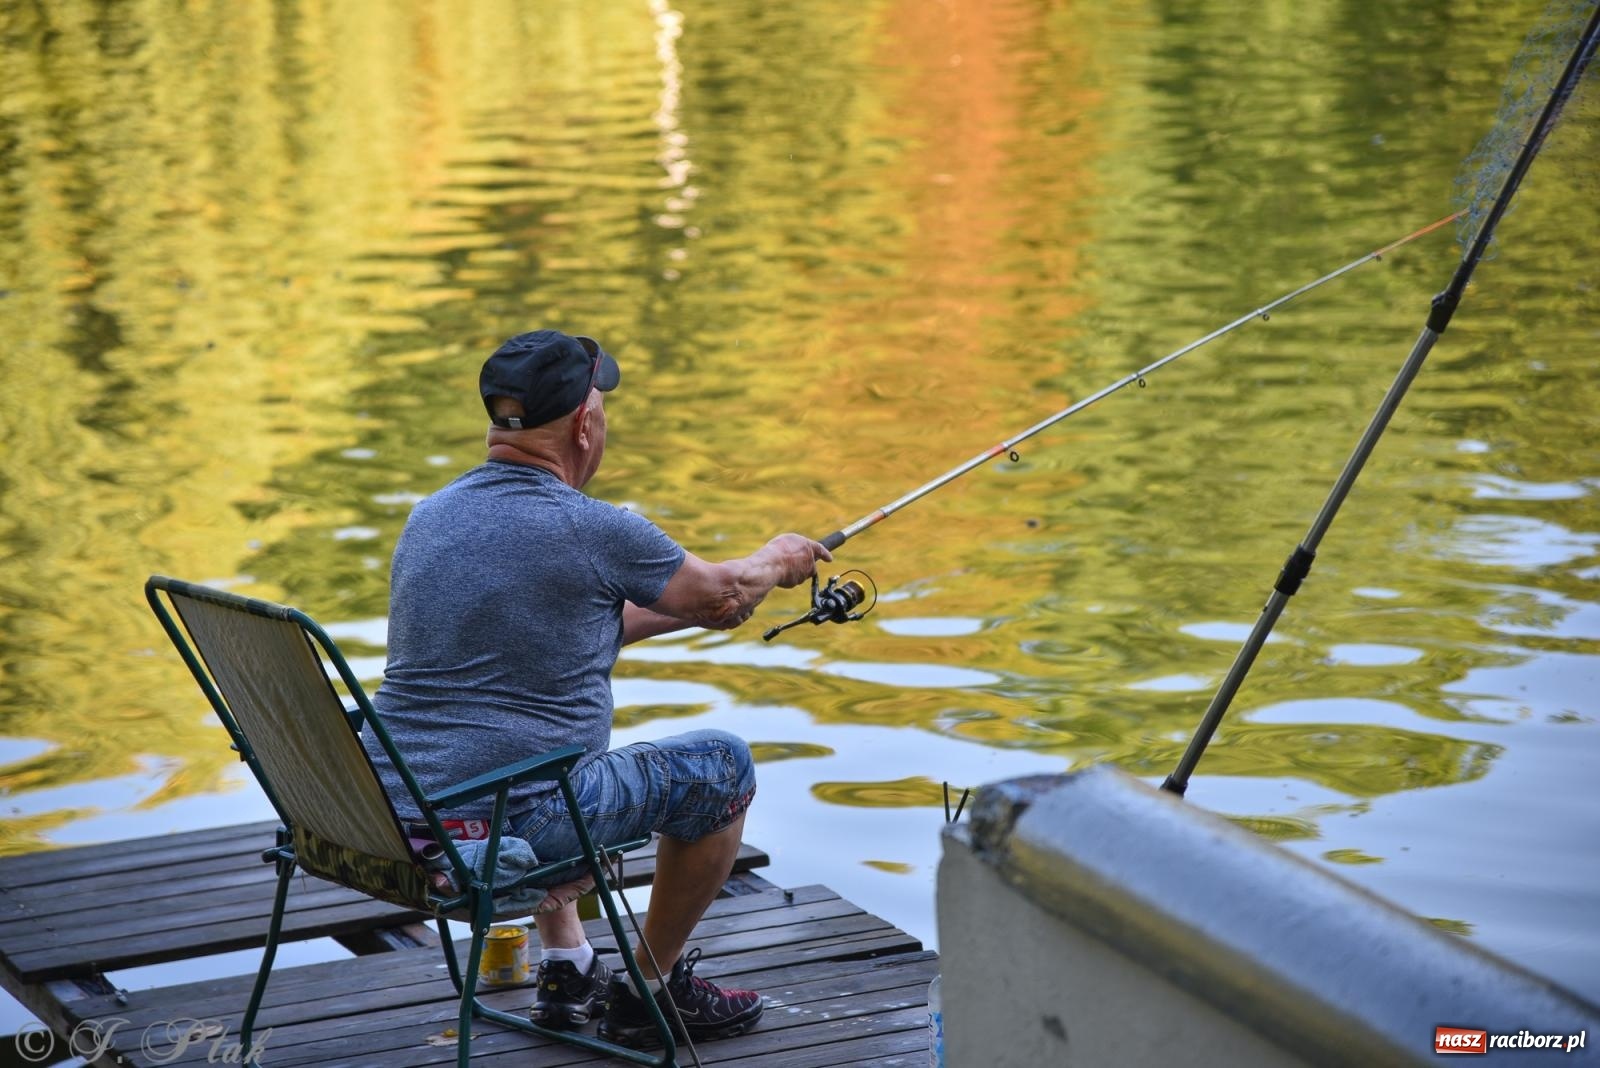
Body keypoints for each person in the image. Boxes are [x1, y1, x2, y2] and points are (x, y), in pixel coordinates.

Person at [364, 328, 830, 1047]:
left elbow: (568, 628)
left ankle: (567, 965)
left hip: (394, 821)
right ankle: (649, 989)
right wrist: (778, 557)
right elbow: (719, 595)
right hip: (501, 834)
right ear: (586, 423)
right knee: (719, 768)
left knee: (532, 746)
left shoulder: (433, 517)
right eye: (601, 408)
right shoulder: (590, 527)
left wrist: (700, 605)